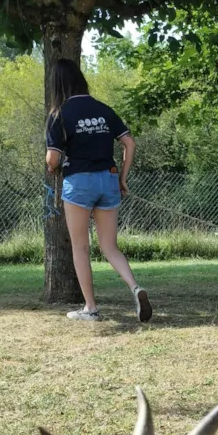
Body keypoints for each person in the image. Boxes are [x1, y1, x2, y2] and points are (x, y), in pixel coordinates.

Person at [45, 59, 151, 322]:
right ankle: (135, 287)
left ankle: (90, 308)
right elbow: (129, 143)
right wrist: (123, 178)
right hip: (109, 179)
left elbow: (52, 159)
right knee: (110, 246)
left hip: (79, 182)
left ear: (57, 84)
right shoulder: (104, 109)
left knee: (80, 248)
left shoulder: (58, 114)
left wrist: (53, 167)